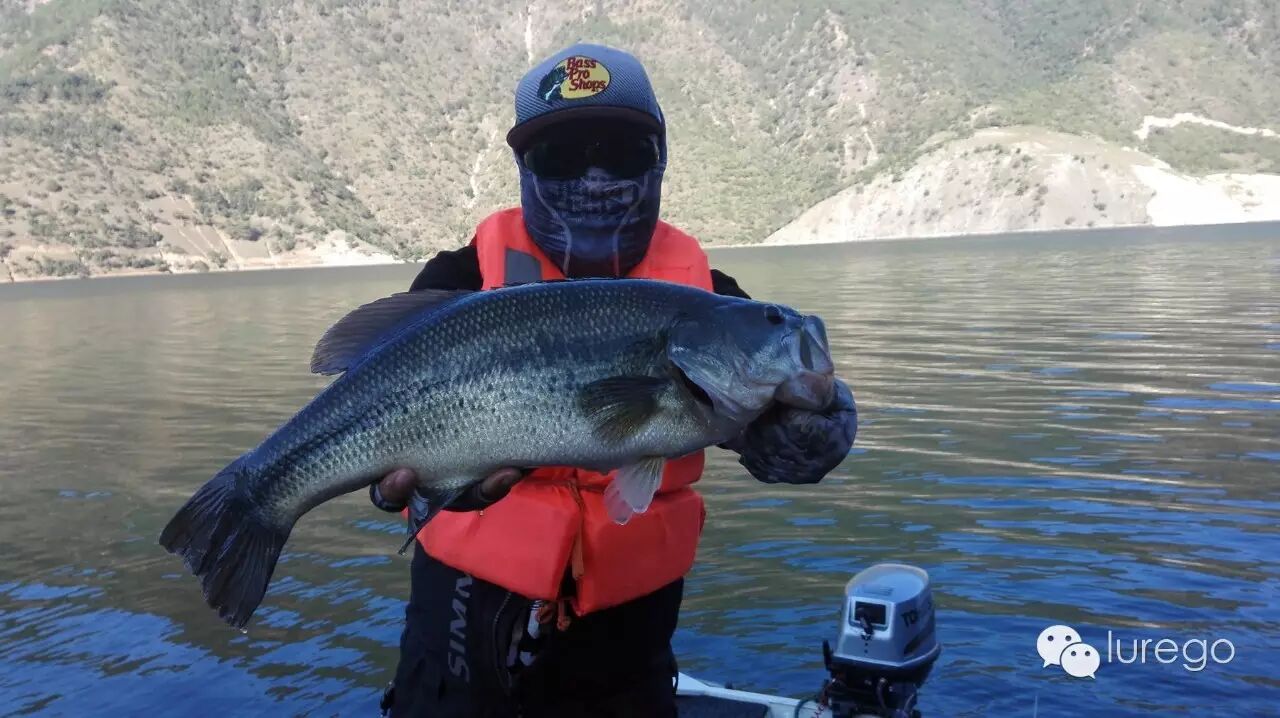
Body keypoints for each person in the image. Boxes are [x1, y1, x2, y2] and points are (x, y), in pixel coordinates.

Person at [372, 43, 857, 718]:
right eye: (561, 156)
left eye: (621, 152)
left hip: (628, 648)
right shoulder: (457, 284)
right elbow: (377, 420)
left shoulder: (713, 306)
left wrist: (815, 430)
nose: (594, 178)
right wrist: (401, 483)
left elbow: (777, 429)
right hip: (460, 624)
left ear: (659, 157)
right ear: (524, 168)